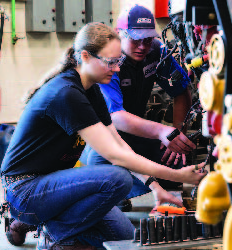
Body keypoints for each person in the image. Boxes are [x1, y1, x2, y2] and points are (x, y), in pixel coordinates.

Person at [0, 22, 206, 250]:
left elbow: (121, 145)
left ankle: (48, 225)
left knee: (125, 238)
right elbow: (115, 156)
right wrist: (178, 175)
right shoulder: (67, 94)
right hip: (25, 191)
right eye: (111, 62)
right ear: (86, 56)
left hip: (54, 187)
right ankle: (52, 233)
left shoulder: (92, 89)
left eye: (118, 62)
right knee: (118, 178)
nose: (117, 69)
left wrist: (156, 188)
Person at [81, 4, 196, 209]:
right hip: (103, 136)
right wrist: (162, 130)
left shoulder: (157, 52)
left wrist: (178, 133)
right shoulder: (109, 61)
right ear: (119, 34)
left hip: (136, 133)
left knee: (178, 162)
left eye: (148, 39)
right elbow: (115, 116)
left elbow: (181, 91)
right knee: (103, 171)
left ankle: (126, 188)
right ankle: (118, 192)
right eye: (135, 39)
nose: (142, 46)